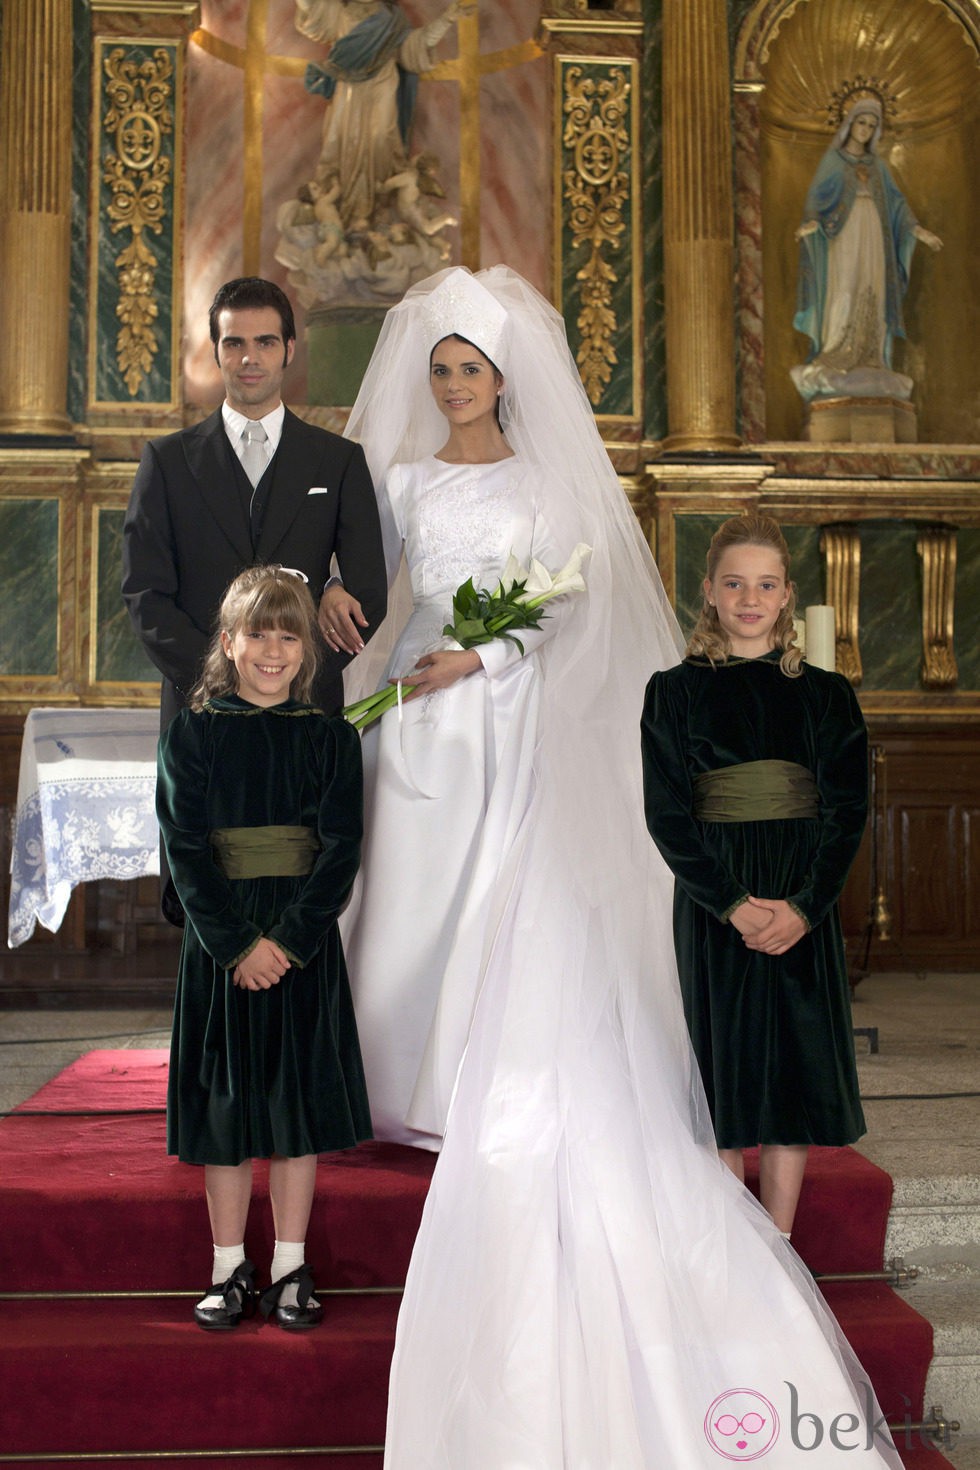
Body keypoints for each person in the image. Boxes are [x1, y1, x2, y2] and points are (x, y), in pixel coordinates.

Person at [336, 267, 901, 1466]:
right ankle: (396, 1072)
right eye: (439, 372)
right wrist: (382, 645)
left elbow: (561, 605)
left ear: (503, 378)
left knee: (504, 894)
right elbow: (389, 592)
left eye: (469, 371)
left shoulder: (548, 480)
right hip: (421, 708)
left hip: (505, 710)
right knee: (405, 895)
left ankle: (469, 1081)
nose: (452, 389)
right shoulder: (398, 476)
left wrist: (479, 661)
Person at [641, 513, 868, 1238]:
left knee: (792, 1071)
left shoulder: (826, 695)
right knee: (724, 1067)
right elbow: (667, 815)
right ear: (708, 591)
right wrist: (733, 904)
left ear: (787, 596)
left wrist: (803, 907)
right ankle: (726, 1245)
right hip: (718, 900)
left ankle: (778, 1241)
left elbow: (847, 810)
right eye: (734, 583)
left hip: (803, 895)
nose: (749, 597)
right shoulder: (673, 691)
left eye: (765, 584)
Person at [156, 564, 370, 1332]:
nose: (272, 651)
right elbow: (184, 847)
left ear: (307, 647)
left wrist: (288, 940)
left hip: (299, 944)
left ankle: (288, 1264)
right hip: (223, 948)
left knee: (294, 1109)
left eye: (288, 635)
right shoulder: (196, 731)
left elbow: (341, 850)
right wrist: (238, 944)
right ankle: (227, 1266)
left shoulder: (330, 738)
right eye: (257, 634)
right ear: (228, 641)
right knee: (227, 1108)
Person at [122, 275, 387, 732]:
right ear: (216, 351)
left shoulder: (339, 461)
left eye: (265, 342)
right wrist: (219, 680)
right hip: (199, 710)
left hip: (307, 713)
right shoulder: (166, 461)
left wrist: (291, 678)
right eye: (234, 343)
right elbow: (145, 594)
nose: (249, 358)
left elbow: (368, 596)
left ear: (289, 348)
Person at [792, 90, 941, 402]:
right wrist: (812, 221)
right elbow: (817, 199)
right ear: (849, 124)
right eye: (861, 122)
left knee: (871, 287)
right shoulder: (833, 160)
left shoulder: (878, 166)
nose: (866, 129)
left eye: (872, 125)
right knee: (844, 288)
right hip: (842, 235)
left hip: (874, 232)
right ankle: (835, 351)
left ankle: (870, 356)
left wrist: (917, 230)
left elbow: (897, 205)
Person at [295, 0, 474, 234]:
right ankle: (348, 211)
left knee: (380, 140)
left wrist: (446, 19)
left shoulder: (392, 18)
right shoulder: (337, 10)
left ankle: (378, 209)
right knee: (345, 141)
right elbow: (311, 11)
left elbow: (415, 46)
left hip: (383, 81)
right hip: (348, 85)